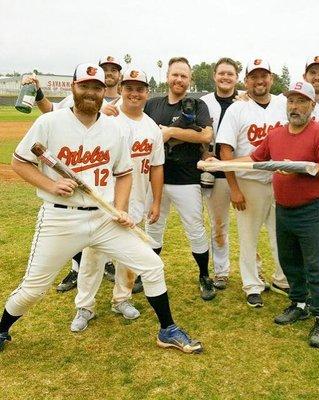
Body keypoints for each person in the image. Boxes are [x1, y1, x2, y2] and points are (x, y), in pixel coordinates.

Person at [0, 63, 202, 353]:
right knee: (33, 288)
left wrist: (119, 209)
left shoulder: (113, 128)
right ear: (73, 88)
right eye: (85, 86)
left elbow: (123, 173)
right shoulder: (50, 123)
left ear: (104, 91)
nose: (91, 93)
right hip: (61, 217)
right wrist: (50, 184)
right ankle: (3, 329)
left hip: (103, 217)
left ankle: (167, 329)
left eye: (97, 88)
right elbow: (20, 161)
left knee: (153, 266)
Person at [70, 68, 165, 331]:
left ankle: (121, 298)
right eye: (129, 87)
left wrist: (156, 202)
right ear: (121, 89)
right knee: (93, 256)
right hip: (103, 201)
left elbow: (156, 166)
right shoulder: (105, 117)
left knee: (129, 255)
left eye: (140, 88)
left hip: (136, 202)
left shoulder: (151, 127)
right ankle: (85, 306)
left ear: (147, 92)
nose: (134, 93)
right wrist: (102, 115)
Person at [22, 56, 125, 292]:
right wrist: (37, 92)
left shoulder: (127, 99)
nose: (109, 72)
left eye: (114, 69)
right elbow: (50, 111)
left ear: (119, 76)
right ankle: (76, 270)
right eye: (105, 68)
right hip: (73, 176)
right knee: (75, 223)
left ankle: (107, 268)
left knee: (108, 228)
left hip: (107, 176)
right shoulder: (80, 95)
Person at [251, 81, 319, 348]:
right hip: (284, 209)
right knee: (288, 261)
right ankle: (299, 303)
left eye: (301, 102)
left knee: (315, 264)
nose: (295, 107)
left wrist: (302, 168)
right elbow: (255, 159)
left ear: (312, 105)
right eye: (291, 101)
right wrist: (219, 164)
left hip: (311, 209)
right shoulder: (275, 135)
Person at [216, 58, 290, 307]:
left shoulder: (284, 103)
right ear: (246, 81)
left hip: (281, 180)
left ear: (272, 78)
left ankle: (282, 278)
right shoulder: (237, 109)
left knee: (282, 235)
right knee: (248, 237)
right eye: (254, 76)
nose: (259, 81)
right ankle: (251, 284)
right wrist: (234, 188)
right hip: (249, 182)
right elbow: (225, 149)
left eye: (264, 75)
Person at [144, 57, 216, 301]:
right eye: (175, 74)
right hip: (155, 178)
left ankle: (205, 275)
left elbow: (206, 135)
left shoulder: (196, 104)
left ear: (190, 80)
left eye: (184, 76)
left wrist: (172, 132)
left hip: (186, 178)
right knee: (153, 228)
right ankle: (150, 275)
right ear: (167, 76)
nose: (179, 79)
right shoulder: (152, 105)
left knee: (195, 229)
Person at [200, 58, 240, 290]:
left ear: (237, 77)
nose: (225, 77)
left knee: (249, 225)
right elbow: (197, 134)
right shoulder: (203, 102)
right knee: (218, 225)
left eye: (230, 74)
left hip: (241, 171)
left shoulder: (244, 101)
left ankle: (253, 269)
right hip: (215, 173)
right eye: (222, 73)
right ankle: (222, 271)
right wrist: (204, 153)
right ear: (214, 75)